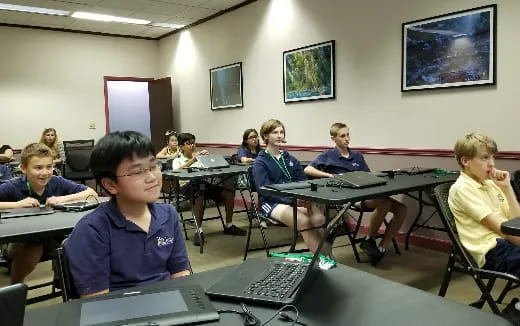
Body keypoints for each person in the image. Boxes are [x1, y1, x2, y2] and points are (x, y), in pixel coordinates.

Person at [65, 131, 190, 298]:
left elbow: (180, 274)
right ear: (110, 185)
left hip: (169, 302)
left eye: (154, 166)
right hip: (121, 309)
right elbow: (97, 302)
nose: (152, 177)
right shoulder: (92, 230)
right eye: (138, 172)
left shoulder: (168, 214)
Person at [304, 122, 406, 265]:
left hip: (367, 192)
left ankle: (381, 248)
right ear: (333, 138)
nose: (347, 138)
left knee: (402, 209)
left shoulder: (356, 155)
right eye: (342, 136)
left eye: (348, 134)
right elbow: (307, 170)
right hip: (350, 198)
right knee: (385, 202)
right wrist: (328, 175)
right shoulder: (328, 155)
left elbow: (368, 175)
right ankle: (369, 240)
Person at [0, 143, 97, 284]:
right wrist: (17, 205)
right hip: (17, 243)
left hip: (50, 238)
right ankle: (15, 287)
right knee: (34, 246)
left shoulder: (56, 182)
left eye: (49, 167)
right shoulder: (13, 186)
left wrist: (62, 199)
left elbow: (91, 193)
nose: (45, 172)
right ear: (23, 168)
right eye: (38, 168)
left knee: (70, 242)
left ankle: (63, 283)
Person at [448, 132, 520, 273]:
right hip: (492, 249)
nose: (492, 163)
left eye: (493, 157)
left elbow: (516, 221)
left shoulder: (491, 183)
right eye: (485, 158)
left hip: (510, 240)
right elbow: (503, 230)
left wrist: (507, 189)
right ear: (466, 161)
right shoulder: (462, 189)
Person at [253, 119, 326, 254]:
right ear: (265, 136)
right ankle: (323, 261)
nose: (280, 135)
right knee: (303, 221)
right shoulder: (260, 162)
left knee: (319, 219)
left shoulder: (290, 159)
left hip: (295, 199)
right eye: (275, 132)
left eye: (282, 132)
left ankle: (327, 257)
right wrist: (292, 200)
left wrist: (304, 198)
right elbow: (265, 191)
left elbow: (303, 182)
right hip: (271, 202)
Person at [172, 133, 246, 246]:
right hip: (186, 186)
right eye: (188, 144)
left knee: (228, 192)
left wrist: (206, 159)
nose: (192, 145)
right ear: (181, 147)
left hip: (203, 184)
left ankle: (229, 225)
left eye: (193, 143)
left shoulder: (199, 158)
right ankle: (199, 230)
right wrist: (192, 160)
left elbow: (209, 169)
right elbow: (177, 171)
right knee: (199, 193)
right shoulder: (177, 160)